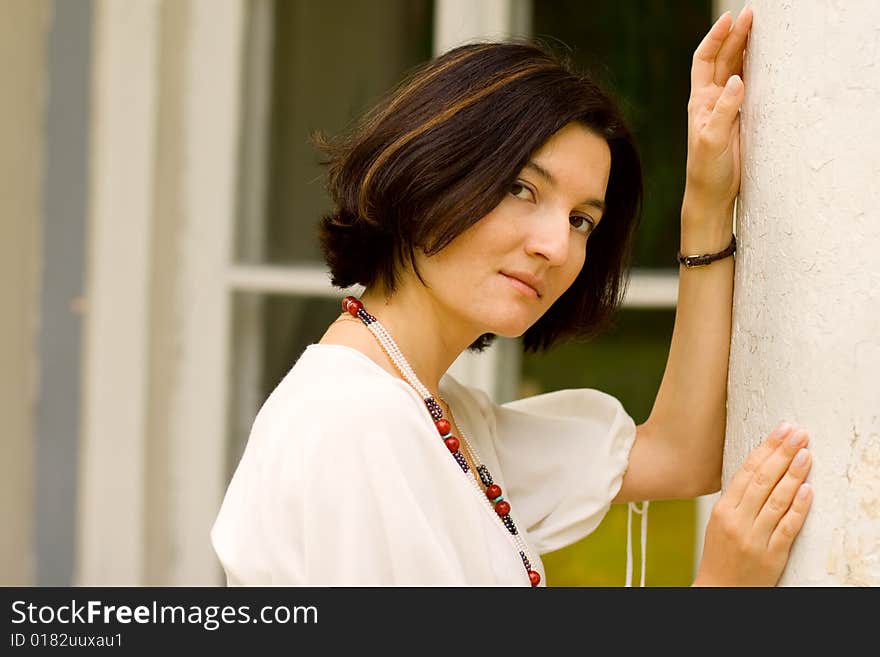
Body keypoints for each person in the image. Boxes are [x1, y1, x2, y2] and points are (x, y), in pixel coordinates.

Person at [211, 6, 813, 587]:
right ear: (432, 174)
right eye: (523, 189)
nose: (556, 245)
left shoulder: (438, 414)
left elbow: (680, 455)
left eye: (582, 221)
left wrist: (707, 203)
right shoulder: (358, 425)